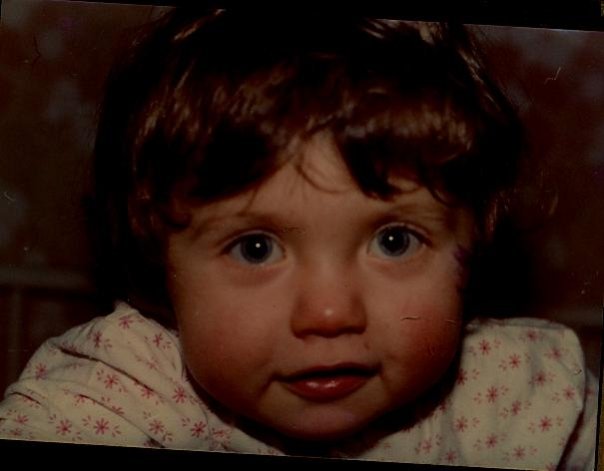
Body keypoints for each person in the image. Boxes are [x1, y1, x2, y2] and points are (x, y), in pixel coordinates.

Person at [0, 8, 597, 469]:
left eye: (395, 241)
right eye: (255, 248)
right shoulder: (114, 397)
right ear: (157, 255)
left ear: (477, 234)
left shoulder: (529, 395)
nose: (330, 314)